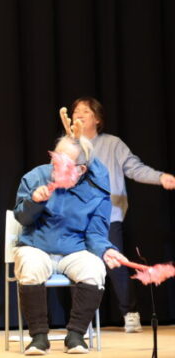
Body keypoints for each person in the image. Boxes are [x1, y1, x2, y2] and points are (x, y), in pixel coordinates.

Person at [13, 130, 123, 355]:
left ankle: (76, 335)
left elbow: (96, 234)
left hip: (74, 250)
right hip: (37, 246)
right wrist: (35, 202)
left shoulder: (97, 191)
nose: (56, 167)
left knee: (94, 269)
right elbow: (22, 218)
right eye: (55, 160)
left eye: (64, 164)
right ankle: (39, 338)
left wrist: (105, 250)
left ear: (81, 169)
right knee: (30, 265)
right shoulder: (36, 177)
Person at [71, 97, 175, 332]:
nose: (79, 114)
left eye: (85, 111)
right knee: (78, 266)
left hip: (108, 216)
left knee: (115, 264)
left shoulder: (112, 144)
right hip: (77, 217)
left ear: (97, 119)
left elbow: (134, 168)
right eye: (76, 111)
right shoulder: (69, 146)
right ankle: (82, 320)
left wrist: (160, 177)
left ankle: (130, 313)